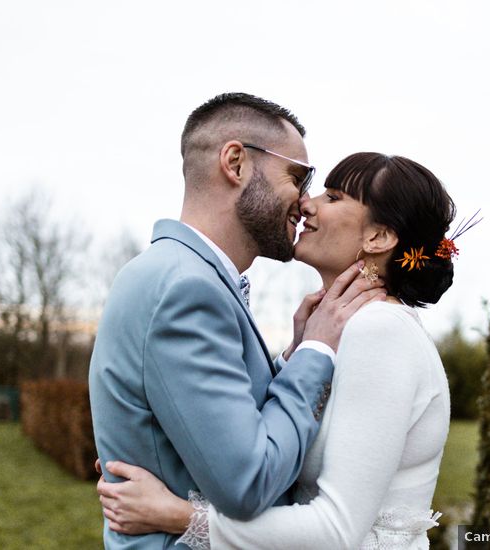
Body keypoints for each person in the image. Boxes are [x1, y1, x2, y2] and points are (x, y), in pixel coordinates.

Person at [97, 152, 474, 549]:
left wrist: (177, 516)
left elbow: (336, 531)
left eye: (333, 196)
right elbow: (264, 442)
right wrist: (301, 352)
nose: (306, 203)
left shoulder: (379, 331)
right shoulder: (345, 333)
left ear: (378, 237)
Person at [89, 93, 387, 550]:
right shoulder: (187, 288)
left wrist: (289, 357)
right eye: (298, 176)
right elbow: (248, 482)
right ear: (236, 163)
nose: (305, 202)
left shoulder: (176, 274)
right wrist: (316, 353)